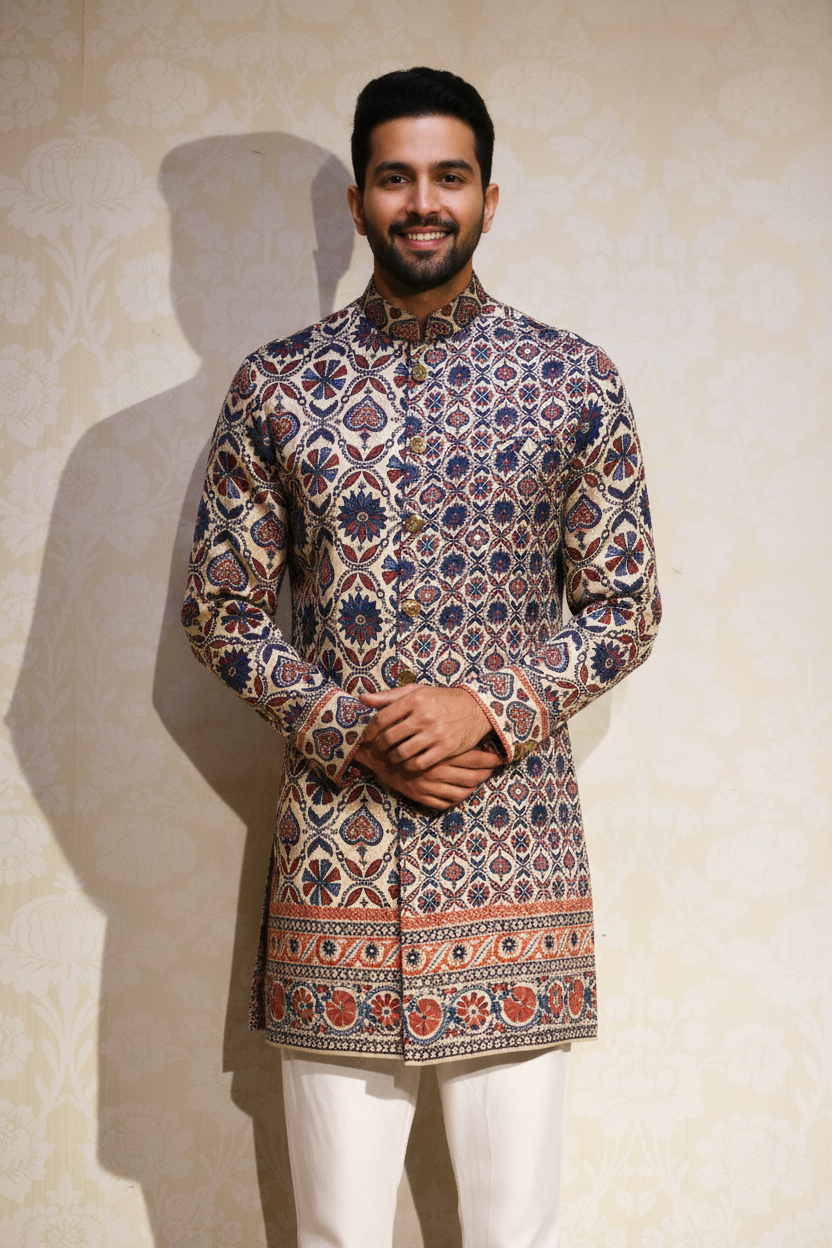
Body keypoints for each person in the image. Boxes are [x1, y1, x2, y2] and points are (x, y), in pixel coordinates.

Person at [182, 66, 661, 1248]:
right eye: (395, 178)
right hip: (334, 864)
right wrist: (356, 729)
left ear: (489, 198)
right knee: (337, 1236)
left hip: (513, 866)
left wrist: (482, 708)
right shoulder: (276, 388)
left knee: (511, 1235)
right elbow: (221, 610)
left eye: (449, 176)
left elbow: (625, 604)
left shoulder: (574, 380)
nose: (423, 202)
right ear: (358, 204)